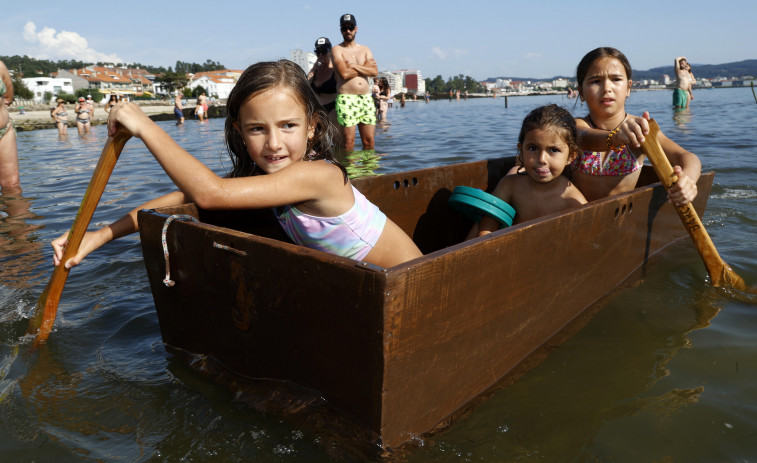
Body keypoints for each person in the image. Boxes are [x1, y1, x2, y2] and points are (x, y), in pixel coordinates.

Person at [51, 60, 422, 271]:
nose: (274, 143)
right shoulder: (266, 177)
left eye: (288, 126)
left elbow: (209, 194)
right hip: (366, 283)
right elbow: (184, 196)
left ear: (312, 126)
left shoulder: (320, 175)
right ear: (239, 132)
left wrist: (144, 125)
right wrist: (99, 236)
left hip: (409, 280)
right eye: (257, 129)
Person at [572, 47, 701, 205]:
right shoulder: (576, 126)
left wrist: (688, 179)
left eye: (616, 79)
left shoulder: (641, 130)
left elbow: (688, 157)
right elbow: (585, 138)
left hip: (623, 217)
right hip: (580, 217)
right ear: (582, 92)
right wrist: (617, 137)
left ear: (628, 88)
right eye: (595, 81)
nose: (607, 88)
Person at [475, 105, 586, 236]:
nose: (542, 159)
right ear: (521, 151)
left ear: (571, 156)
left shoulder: (572, 199)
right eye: (533, 148)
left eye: (554, 150)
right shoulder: (510, 185)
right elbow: (487, 228)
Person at [331, 14, 378, 152]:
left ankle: (369, 172)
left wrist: (353, 65)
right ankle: (350, 173)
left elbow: (374, 71)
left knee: (369, 141)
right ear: (341, 30)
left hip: (366, 99)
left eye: (350, 27)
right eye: (345, 28)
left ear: (356, 28)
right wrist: (365, 68)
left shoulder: (365, 49)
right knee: (348, 143)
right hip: (347, 99)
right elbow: (344, 74)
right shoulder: (337, 50)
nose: (348, 31)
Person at [307, 37, 339, 130]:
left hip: (333, 109)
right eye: (318, 52)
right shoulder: (316, 69)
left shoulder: (336, 69)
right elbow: (305, 85)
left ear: (330, 51)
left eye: (323, 51)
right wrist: (313, 69)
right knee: (316, 142)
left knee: (337, 142)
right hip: (317, 110)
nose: (320, 54)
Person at [0, 59, 20, 194]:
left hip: (4, 131)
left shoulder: (0, 66)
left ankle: (17, 216)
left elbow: (8, 97)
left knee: (12, 184)